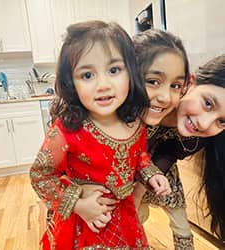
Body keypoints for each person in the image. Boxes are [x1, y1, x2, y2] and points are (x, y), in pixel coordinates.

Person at [29, 21, 171, 249]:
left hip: (125, 219)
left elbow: (139, 157)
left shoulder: (134, 122)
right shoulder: (67, 130)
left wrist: (151, 175)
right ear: (71, 82)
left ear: (131, 72)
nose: (103, 85)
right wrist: (79, 205)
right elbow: (40, 176)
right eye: (87, 75)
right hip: (85, 224)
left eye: (114, 70)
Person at [135, 53, 225, 249]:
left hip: (162, 171)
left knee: (180, 220)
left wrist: (142, 188)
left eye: (222, 121)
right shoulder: (147, 104)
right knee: (133, 217)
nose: (204, 123)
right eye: (208, 103)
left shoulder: (200, 136)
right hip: (119, 172)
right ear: (189, 83)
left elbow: (168, 155)